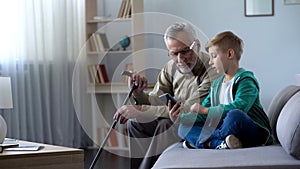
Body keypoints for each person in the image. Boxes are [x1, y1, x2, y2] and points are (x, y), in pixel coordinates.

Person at [113, 22, 218, 169]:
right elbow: (155, 101)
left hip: (199, 123)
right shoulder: (170, 67)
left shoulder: (212, 68)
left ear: (197, 45)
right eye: (174, 53)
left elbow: (188, 110)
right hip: (174, 119)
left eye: (185, 51)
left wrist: (141, 108)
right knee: (136, 122)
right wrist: (139, 94)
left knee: (165, 125)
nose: (180, 59)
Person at [172, 31, 273, 150]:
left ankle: (208, 141)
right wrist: (181, 118)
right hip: (227, 130)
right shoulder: (216, 85)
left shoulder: (246, 80)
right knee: (183, 127)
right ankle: (221, 143)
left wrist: (205, 110)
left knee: (235, 114)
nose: (210, 62)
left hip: (250, 130)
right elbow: (203, 116)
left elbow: (241, 106)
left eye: (213, 56)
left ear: (230, 54)